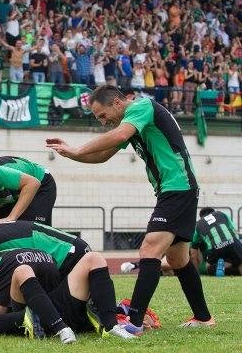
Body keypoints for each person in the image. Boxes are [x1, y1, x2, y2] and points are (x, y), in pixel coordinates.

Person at [47, 85, 214, 335]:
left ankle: (134, 321)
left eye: (102, 115)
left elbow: (117, 136)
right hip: (178, 189)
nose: (104, 123)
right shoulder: (133, 120)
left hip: (177, 188)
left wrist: (77, 148)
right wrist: (71, 155)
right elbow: (104, 154)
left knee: (149, 248)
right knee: (179, 259)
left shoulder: (140, 107)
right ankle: (203, 317)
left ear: (117, 102)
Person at [0, 248, 136, 342]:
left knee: (94, 257)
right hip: (32, 317)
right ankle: (60, 329)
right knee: (22, 270)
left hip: (47, 308)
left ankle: (111, 327)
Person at [121, 208, 242, 277]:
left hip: (205, 257)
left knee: (169, 264)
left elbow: (193, 252)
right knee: (169, 267)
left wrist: (196, 274)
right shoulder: (221, 215)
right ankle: (141, 266)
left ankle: (137, 265)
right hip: (228, 248)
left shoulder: (198, 225)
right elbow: (233, 232)